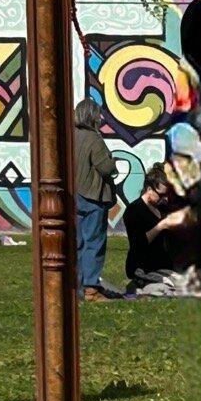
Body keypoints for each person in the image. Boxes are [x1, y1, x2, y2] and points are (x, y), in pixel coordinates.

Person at [123, 125, 201, 286]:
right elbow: (138, 244)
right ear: (149, 189)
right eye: (160, 194)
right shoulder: (134, 210)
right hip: (143, 266)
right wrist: (162, 226)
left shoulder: (161, 207)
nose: (163, 198)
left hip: (162, 265)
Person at [73, 99, 121, 300]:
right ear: (92, 116)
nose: (100, 118)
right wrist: (113, 162)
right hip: (93, 196)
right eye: (98, 114)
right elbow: (106, 167)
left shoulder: (71, 136)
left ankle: (79, 287)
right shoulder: (94, 139)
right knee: (94, 242)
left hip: (75, 195)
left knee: (79, 242)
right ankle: (91, 288)